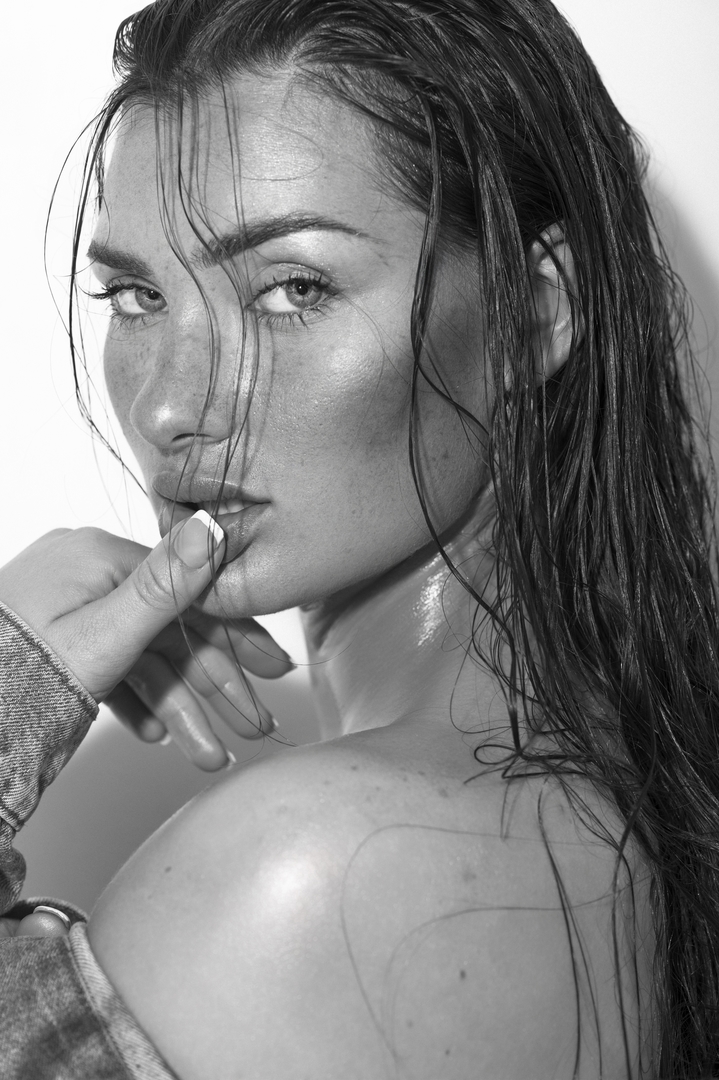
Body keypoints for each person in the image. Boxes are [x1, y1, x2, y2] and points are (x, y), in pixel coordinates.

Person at [1, 0, 718, 1076]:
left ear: (530, 314)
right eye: (138, 294)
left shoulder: (314, 870)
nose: (167, 408)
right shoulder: (614, 811)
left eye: (292, 289)